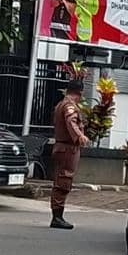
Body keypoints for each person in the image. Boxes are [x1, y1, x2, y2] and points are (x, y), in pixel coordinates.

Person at [49, 78, 88, 230]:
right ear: (80, 92)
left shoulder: (61, 104)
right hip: (67, 148)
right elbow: (71, 121)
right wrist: (79, 135)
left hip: (62, 147)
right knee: (64, 180)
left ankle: (57, 215)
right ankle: (57, 217)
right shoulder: (69, 106)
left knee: (61, 179)